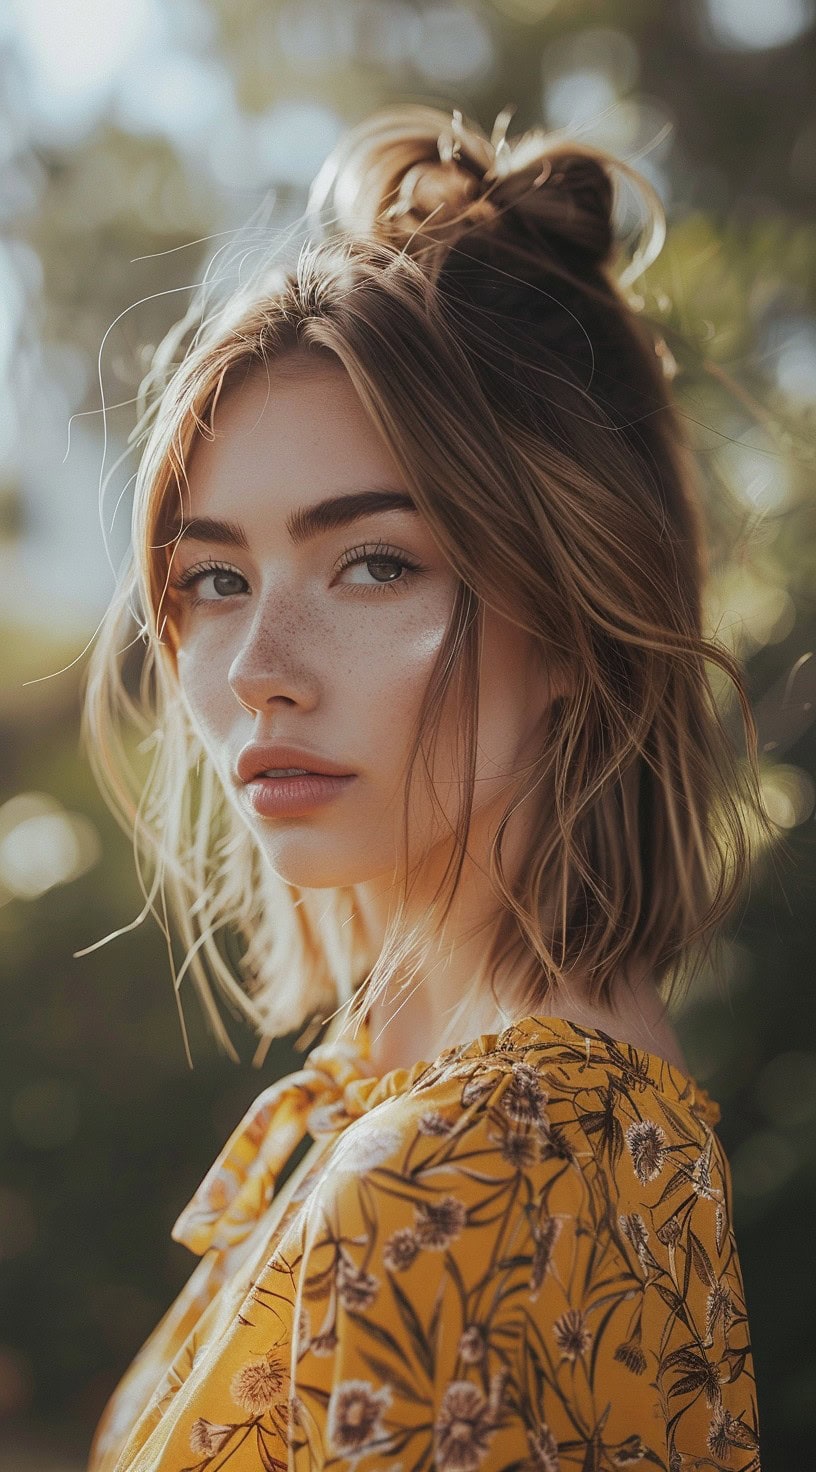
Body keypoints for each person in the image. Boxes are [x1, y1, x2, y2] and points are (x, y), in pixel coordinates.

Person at [81, 103, 769, 1470]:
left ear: (575, 613)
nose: (257, 669)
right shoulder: (502, 1113)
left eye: (375, 563)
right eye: (216, 580)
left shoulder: (476, 1166)